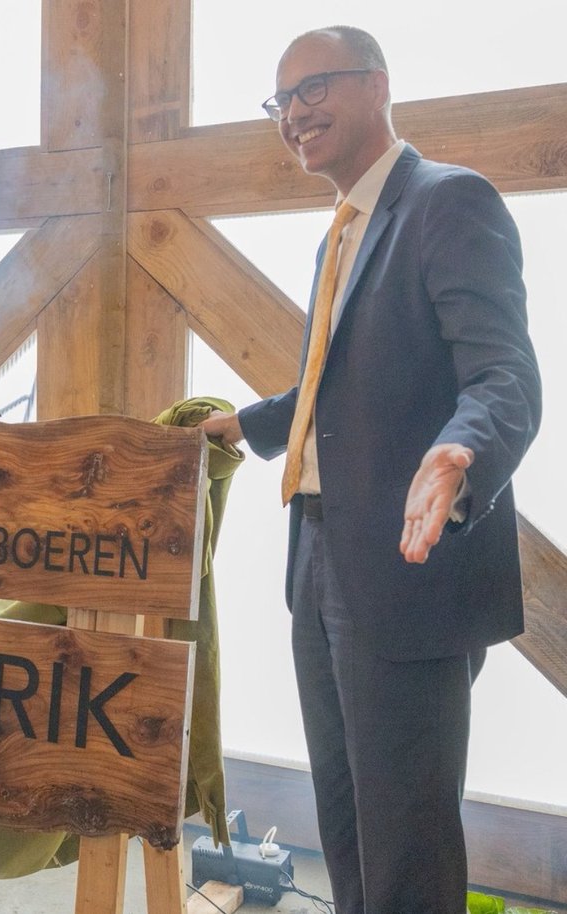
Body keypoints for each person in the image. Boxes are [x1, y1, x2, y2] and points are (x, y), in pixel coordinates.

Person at [200, 26, 541, 914]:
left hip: (407, 569)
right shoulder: (340, 234)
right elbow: (341, 379)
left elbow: (504, 374)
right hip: (318, 557)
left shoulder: (448, 201)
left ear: (377, 85)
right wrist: (251, 422)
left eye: (313, 89)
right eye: (281, 101)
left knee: (409, 838)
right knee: (346, 822)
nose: (295, 115)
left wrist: (462, 452)